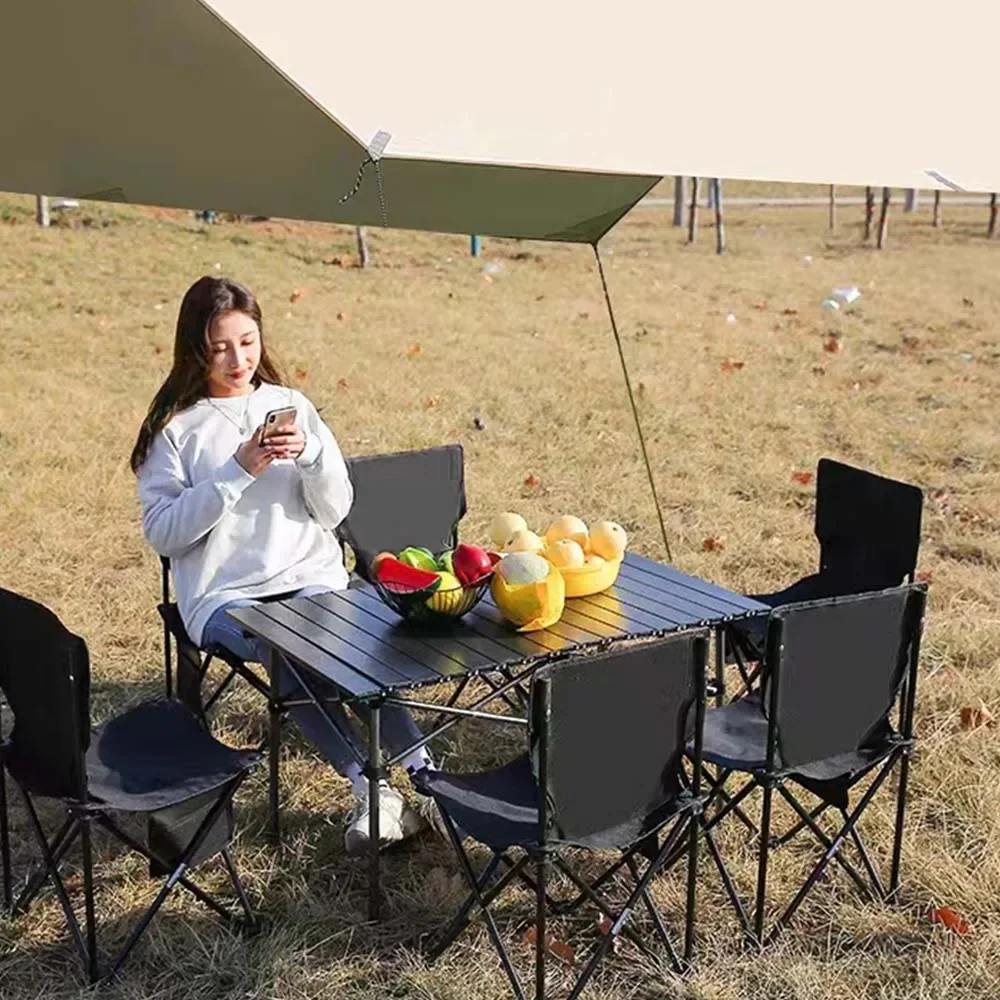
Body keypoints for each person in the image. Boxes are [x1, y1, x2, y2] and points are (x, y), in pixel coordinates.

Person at [130, 275, 434, 855]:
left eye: (248, 342)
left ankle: (429, 780)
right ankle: (371, 790)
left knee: (356, 649)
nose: (238, 359)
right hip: (227, 597)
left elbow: (334, 510)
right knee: (289, 647)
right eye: (220, 347)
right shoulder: (174, 430)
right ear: (195, 349)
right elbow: (164, 533)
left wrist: (313, 455)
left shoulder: (290, 406)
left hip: (312, 579)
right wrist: (237, 471)